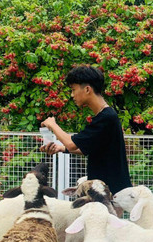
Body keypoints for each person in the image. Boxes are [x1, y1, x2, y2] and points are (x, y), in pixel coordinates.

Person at [40, 65, 132, 194]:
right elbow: (87, 148)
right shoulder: (104, 116)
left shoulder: (106, 117)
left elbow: (71, 144)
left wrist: (53, 125)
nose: (72, 95)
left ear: (87, 89)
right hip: (105, 189)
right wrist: (61, 148)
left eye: (73, 89)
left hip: (110, 192)